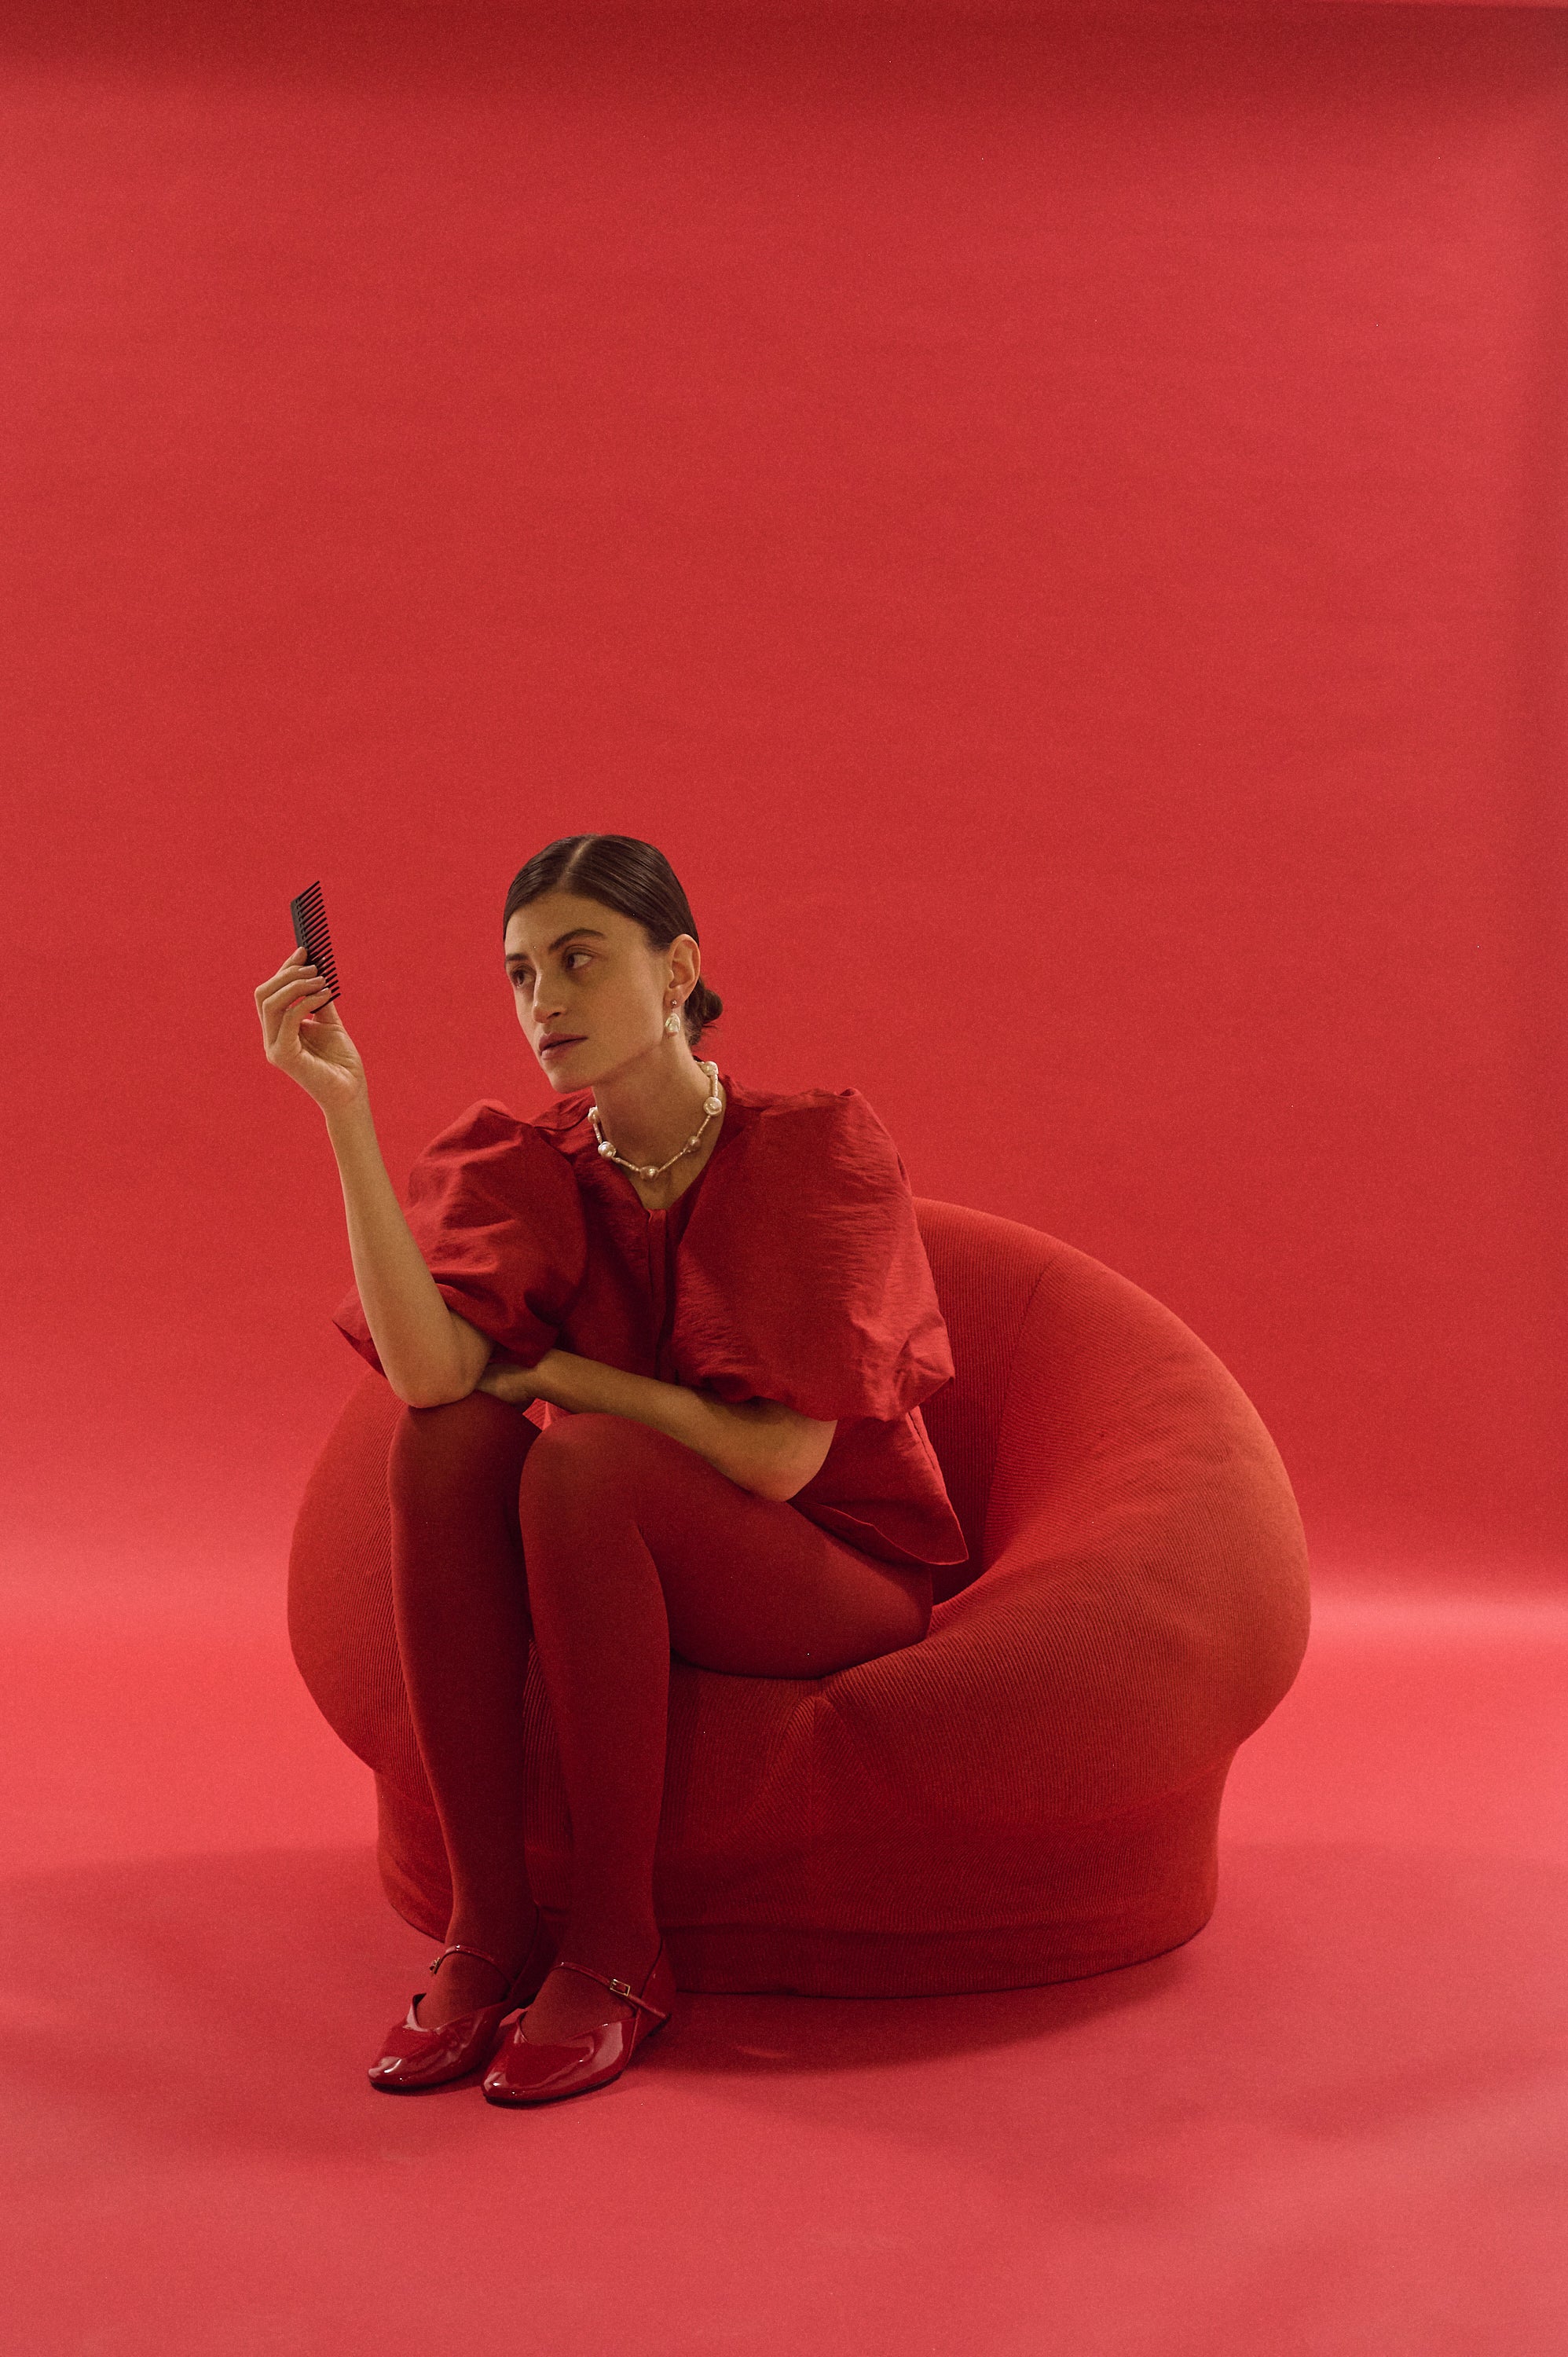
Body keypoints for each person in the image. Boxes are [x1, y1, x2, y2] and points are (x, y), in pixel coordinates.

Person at [257, 833, 965, 2105]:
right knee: (449, 1442)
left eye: (580, 961)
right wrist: (343, 1109)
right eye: (523, 975)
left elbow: (782, 1456)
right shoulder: (531, 1169)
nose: (547, 1003)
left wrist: (580, 1384)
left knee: (581, 1466)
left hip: (832, 1562)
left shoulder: (813, 1150)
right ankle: (491, 1929)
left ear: (678, 966)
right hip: (649, 1541)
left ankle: (619, 1948)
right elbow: (429, 1377)